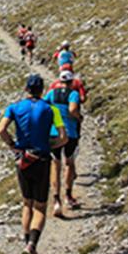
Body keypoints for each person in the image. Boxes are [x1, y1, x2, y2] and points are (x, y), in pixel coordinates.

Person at [0, 73, 67, 254]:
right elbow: (63, 137)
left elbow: (1, 129)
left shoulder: (14, 107)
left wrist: (12, 145)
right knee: (40, 206)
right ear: (42, 89)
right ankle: (32, 246)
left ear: (27, 89)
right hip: (42, 159)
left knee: (26, 203)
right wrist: (49, 145)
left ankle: (26, 241)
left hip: (23, 160)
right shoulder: (51, 108)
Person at [45, 70, 82, 216]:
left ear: (59, 81)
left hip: (53, 132)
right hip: (70, 132)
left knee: (55, 163)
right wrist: (78, 117)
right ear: (72, 82)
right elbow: (73, 109)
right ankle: (68, 196)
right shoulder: (73, 94)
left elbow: (44, 106)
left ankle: (56, 200)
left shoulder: (52, 93)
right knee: (69, 163)